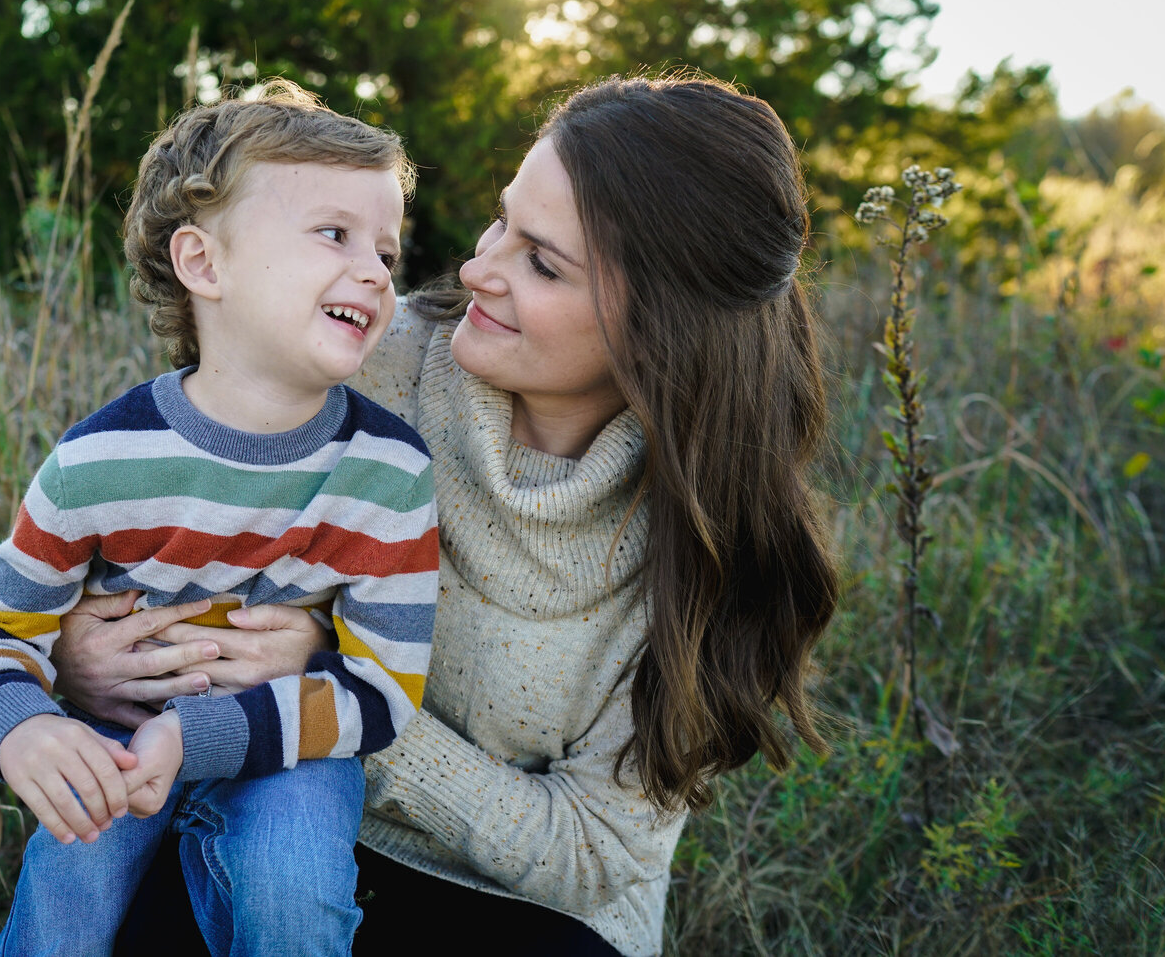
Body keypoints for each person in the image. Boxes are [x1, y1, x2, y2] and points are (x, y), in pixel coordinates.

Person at [53, 73, 839, 957]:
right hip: (290, 817)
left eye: (541, 263)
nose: (476, 269)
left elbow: (592, 851)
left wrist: (338, 689)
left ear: (658, 330)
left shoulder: (705, 535)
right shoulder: (359, 365)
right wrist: (81, 654)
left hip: (523, 909)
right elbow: (167, 530)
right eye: (503, 220)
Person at [0, 81, 439, 957]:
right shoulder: (100, 463)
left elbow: (384, 691)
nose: (373, 270)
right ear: (205, 264)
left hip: (291, 743)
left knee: (295, 893)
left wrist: (200, 731)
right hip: (119, 736)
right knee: (67, 898)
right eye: (334, 233)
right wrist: (23, 726)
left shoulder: (389, 473)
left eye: (387, 253)